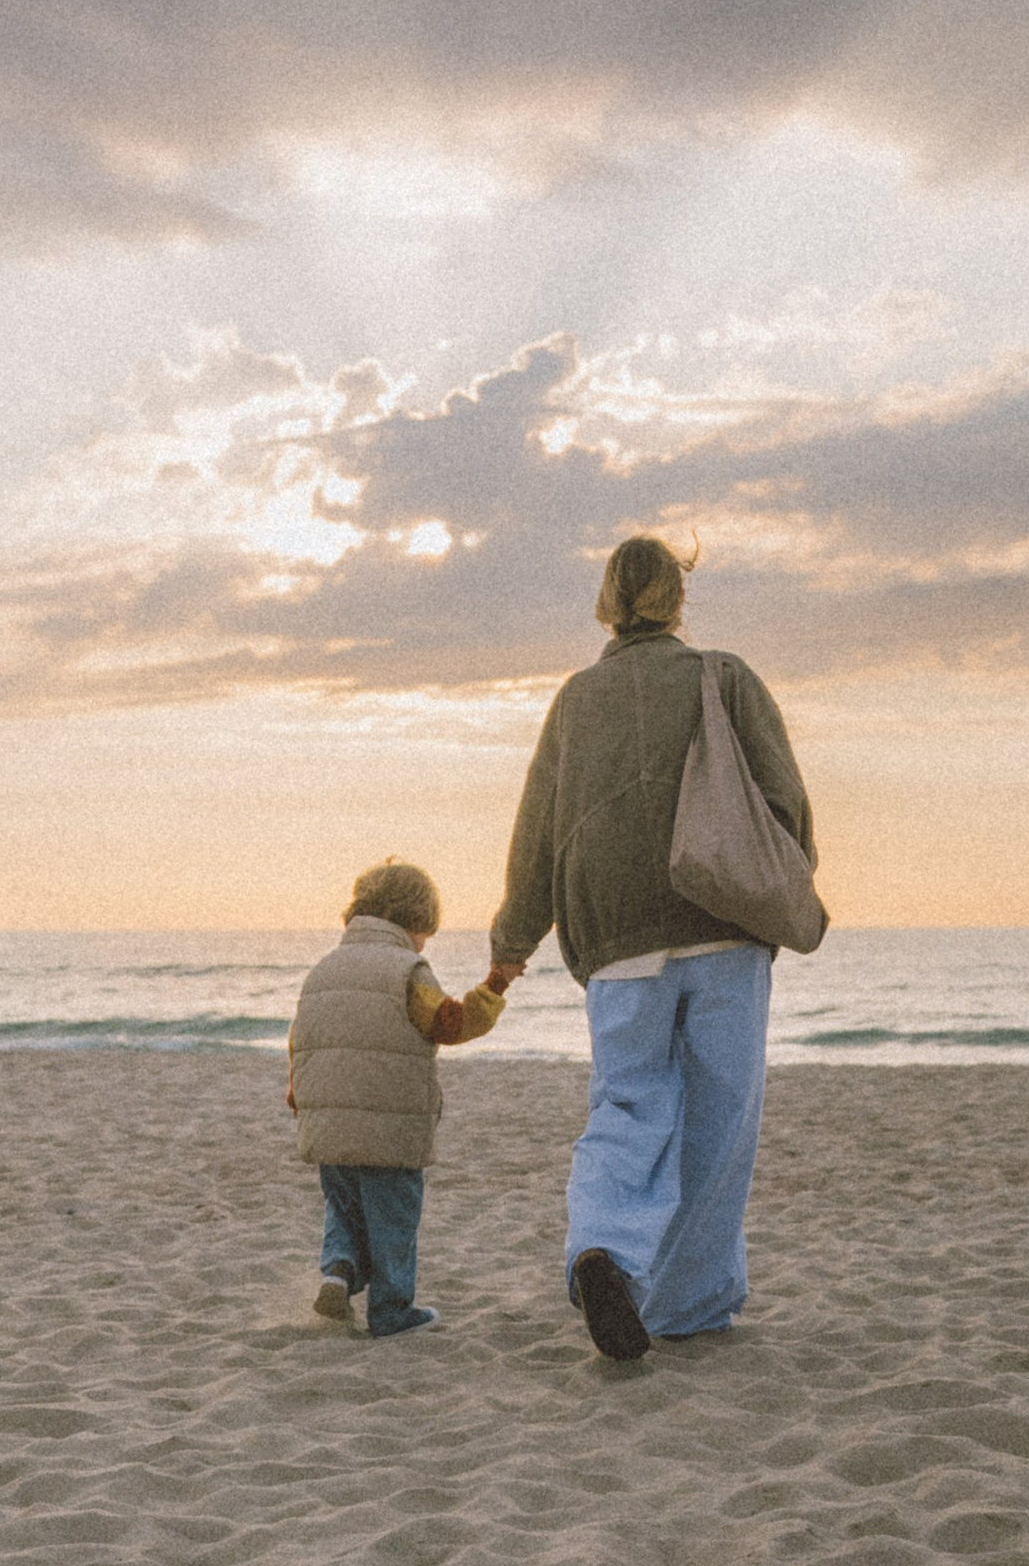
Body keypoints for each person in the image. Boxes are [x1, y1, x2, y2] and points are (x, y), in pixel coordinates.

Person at [490, 534, 818, 1362]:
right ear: (678, 598)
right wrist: (779, 882)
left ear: (606, 601)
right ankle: (687, 1304)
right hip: (722, 926)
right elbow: (784, 802)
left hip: (615, 937)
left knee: (627, 1105)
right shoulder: (726, 677)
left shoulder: (576, 700)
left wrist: (511, 946)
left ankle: (602, 1246)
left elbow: (537, 832)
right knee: (719, 1120)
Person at [287, 860, 511, 1338]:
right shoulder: (408, 970)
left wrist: (301, 1097)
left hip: (328, 1117)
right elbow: (449, 1024)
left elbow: (304, 1039)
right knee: (394, 1214)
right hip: (390, 1123)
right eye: (425, 933)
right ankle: (390, 1310)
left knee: (343, 1203)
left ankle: (339, 1270)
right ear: (416, 920)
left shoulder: (325, 968)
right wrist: (495, 986)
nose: (424, 943)